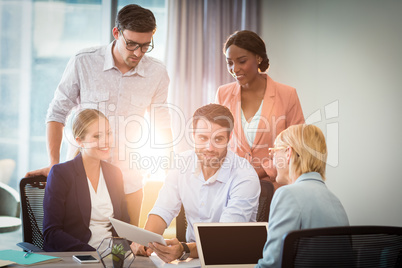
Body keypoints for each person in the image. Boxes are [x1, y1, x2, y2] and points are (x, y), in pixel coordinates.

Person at [26, 4, 173, 226]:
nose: (137, 53)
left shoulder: (157, 72)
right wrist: (54, 164)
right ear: (117, 33)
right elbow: (57, 113)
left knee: (126, 250)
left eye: (145, 46)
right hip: (81, 175)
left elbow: (162, 123)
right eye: (131, 44)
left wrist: (170, 167)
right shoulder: (84, 61)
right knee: (76, 244)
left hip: (129, 179)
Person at [132, 104, 261, 263]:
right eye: (203, 138)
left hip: (233, 259)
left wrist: (184, 250)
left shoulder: (244, 175)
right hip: (194, 258)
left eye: (218, 139)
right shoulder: (181, 163)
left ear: (229, 137)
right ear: (193, 135)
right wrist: (146, 241)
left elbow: (225, 237)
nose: (209, 147)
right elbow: (163, 209)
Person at [215, 30, 304, 190]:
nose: (234, 69)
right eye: (230, 62)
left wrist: (260, 171)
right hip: (234, 188)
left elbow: (297, 147)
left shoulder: (287, 95)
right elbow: (218, 141)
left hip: (274, 188)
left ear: (258, 58)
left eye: (241, 61)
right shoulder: (223, 94)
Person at [256, 124, 349, 268]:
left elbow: (272, 264)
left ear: (288, 153)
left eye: (274, 153)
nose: (273, 160)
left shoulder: (287, 194)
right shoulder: (335, 200)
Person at [43, 109, 130, 251]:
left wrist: (131, 246)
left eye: (108, 133)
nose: (106, 141)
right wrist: (92, 254)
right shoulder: (61, 174)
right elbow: (51, 233)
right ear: (80, 141)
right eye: (97, 136)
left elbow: (124, 223)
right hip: (79, 257)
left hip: (112, 258)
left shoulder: (114, 174)